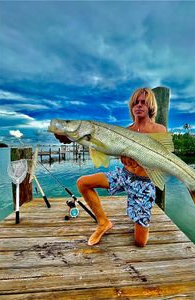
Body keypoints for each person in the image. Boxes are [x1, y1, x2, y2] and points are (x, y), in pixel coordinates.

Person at [55, 88, 166, 247]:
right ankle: (103, 223)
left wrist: (137, 160)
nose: (139, 106)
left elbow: (160, 160)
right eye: (135, 103)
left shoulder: (159, 130)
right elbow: (103, 145)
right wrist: (71, 137)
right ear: (131, 107)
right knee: (83, 183)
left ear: (151, 107)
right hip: (124, 175)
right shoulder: (126, 131)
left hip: (144, 183)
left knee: (140, 243)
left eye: (143, 102)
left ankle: (139, 216)